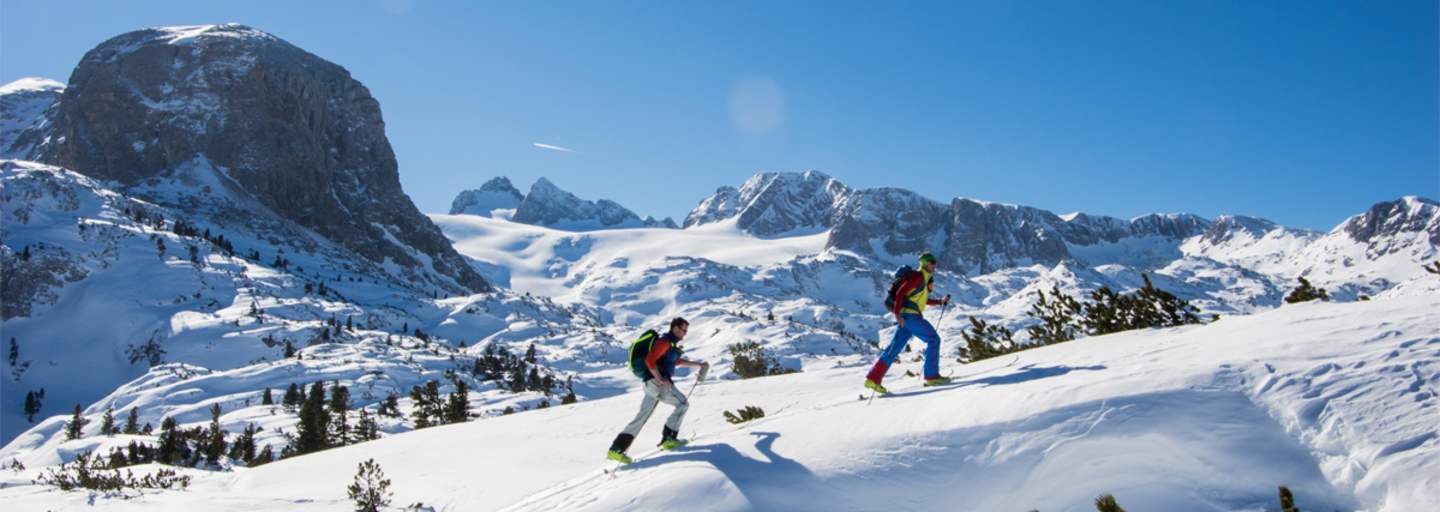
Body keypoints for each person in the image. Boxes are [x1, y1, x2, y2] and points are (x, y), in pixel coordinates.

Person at [606, 317, 709, 464]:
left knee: (642, 417)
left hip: (650, 383)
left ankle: (616, 450)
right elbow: (650, 360)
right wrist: (661, 379)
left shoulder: (670, 344)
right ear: (675, 328)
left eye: (686, 331)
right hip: (658, 383)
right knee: (682, 404)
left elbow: (675, 361)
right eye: (683, 330)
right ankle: (669, 439)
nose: (684, 334)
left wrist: (697, 364)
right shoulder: (665, 342)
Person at [865, 252, 952, 394]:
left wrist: (940, 302)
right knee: (933, 339)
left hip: (908, 317)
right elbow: (900, 293)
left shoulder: (923, 279)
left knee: (894, 348)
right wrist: (897, 314)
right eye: (932, 262)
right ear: (925, 263)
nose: (934, 264)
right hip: (910, 317)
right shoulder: (918, 276)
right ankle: (931, 376)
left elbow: (923, 300)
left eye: (935, 262)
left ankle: (873, 378)